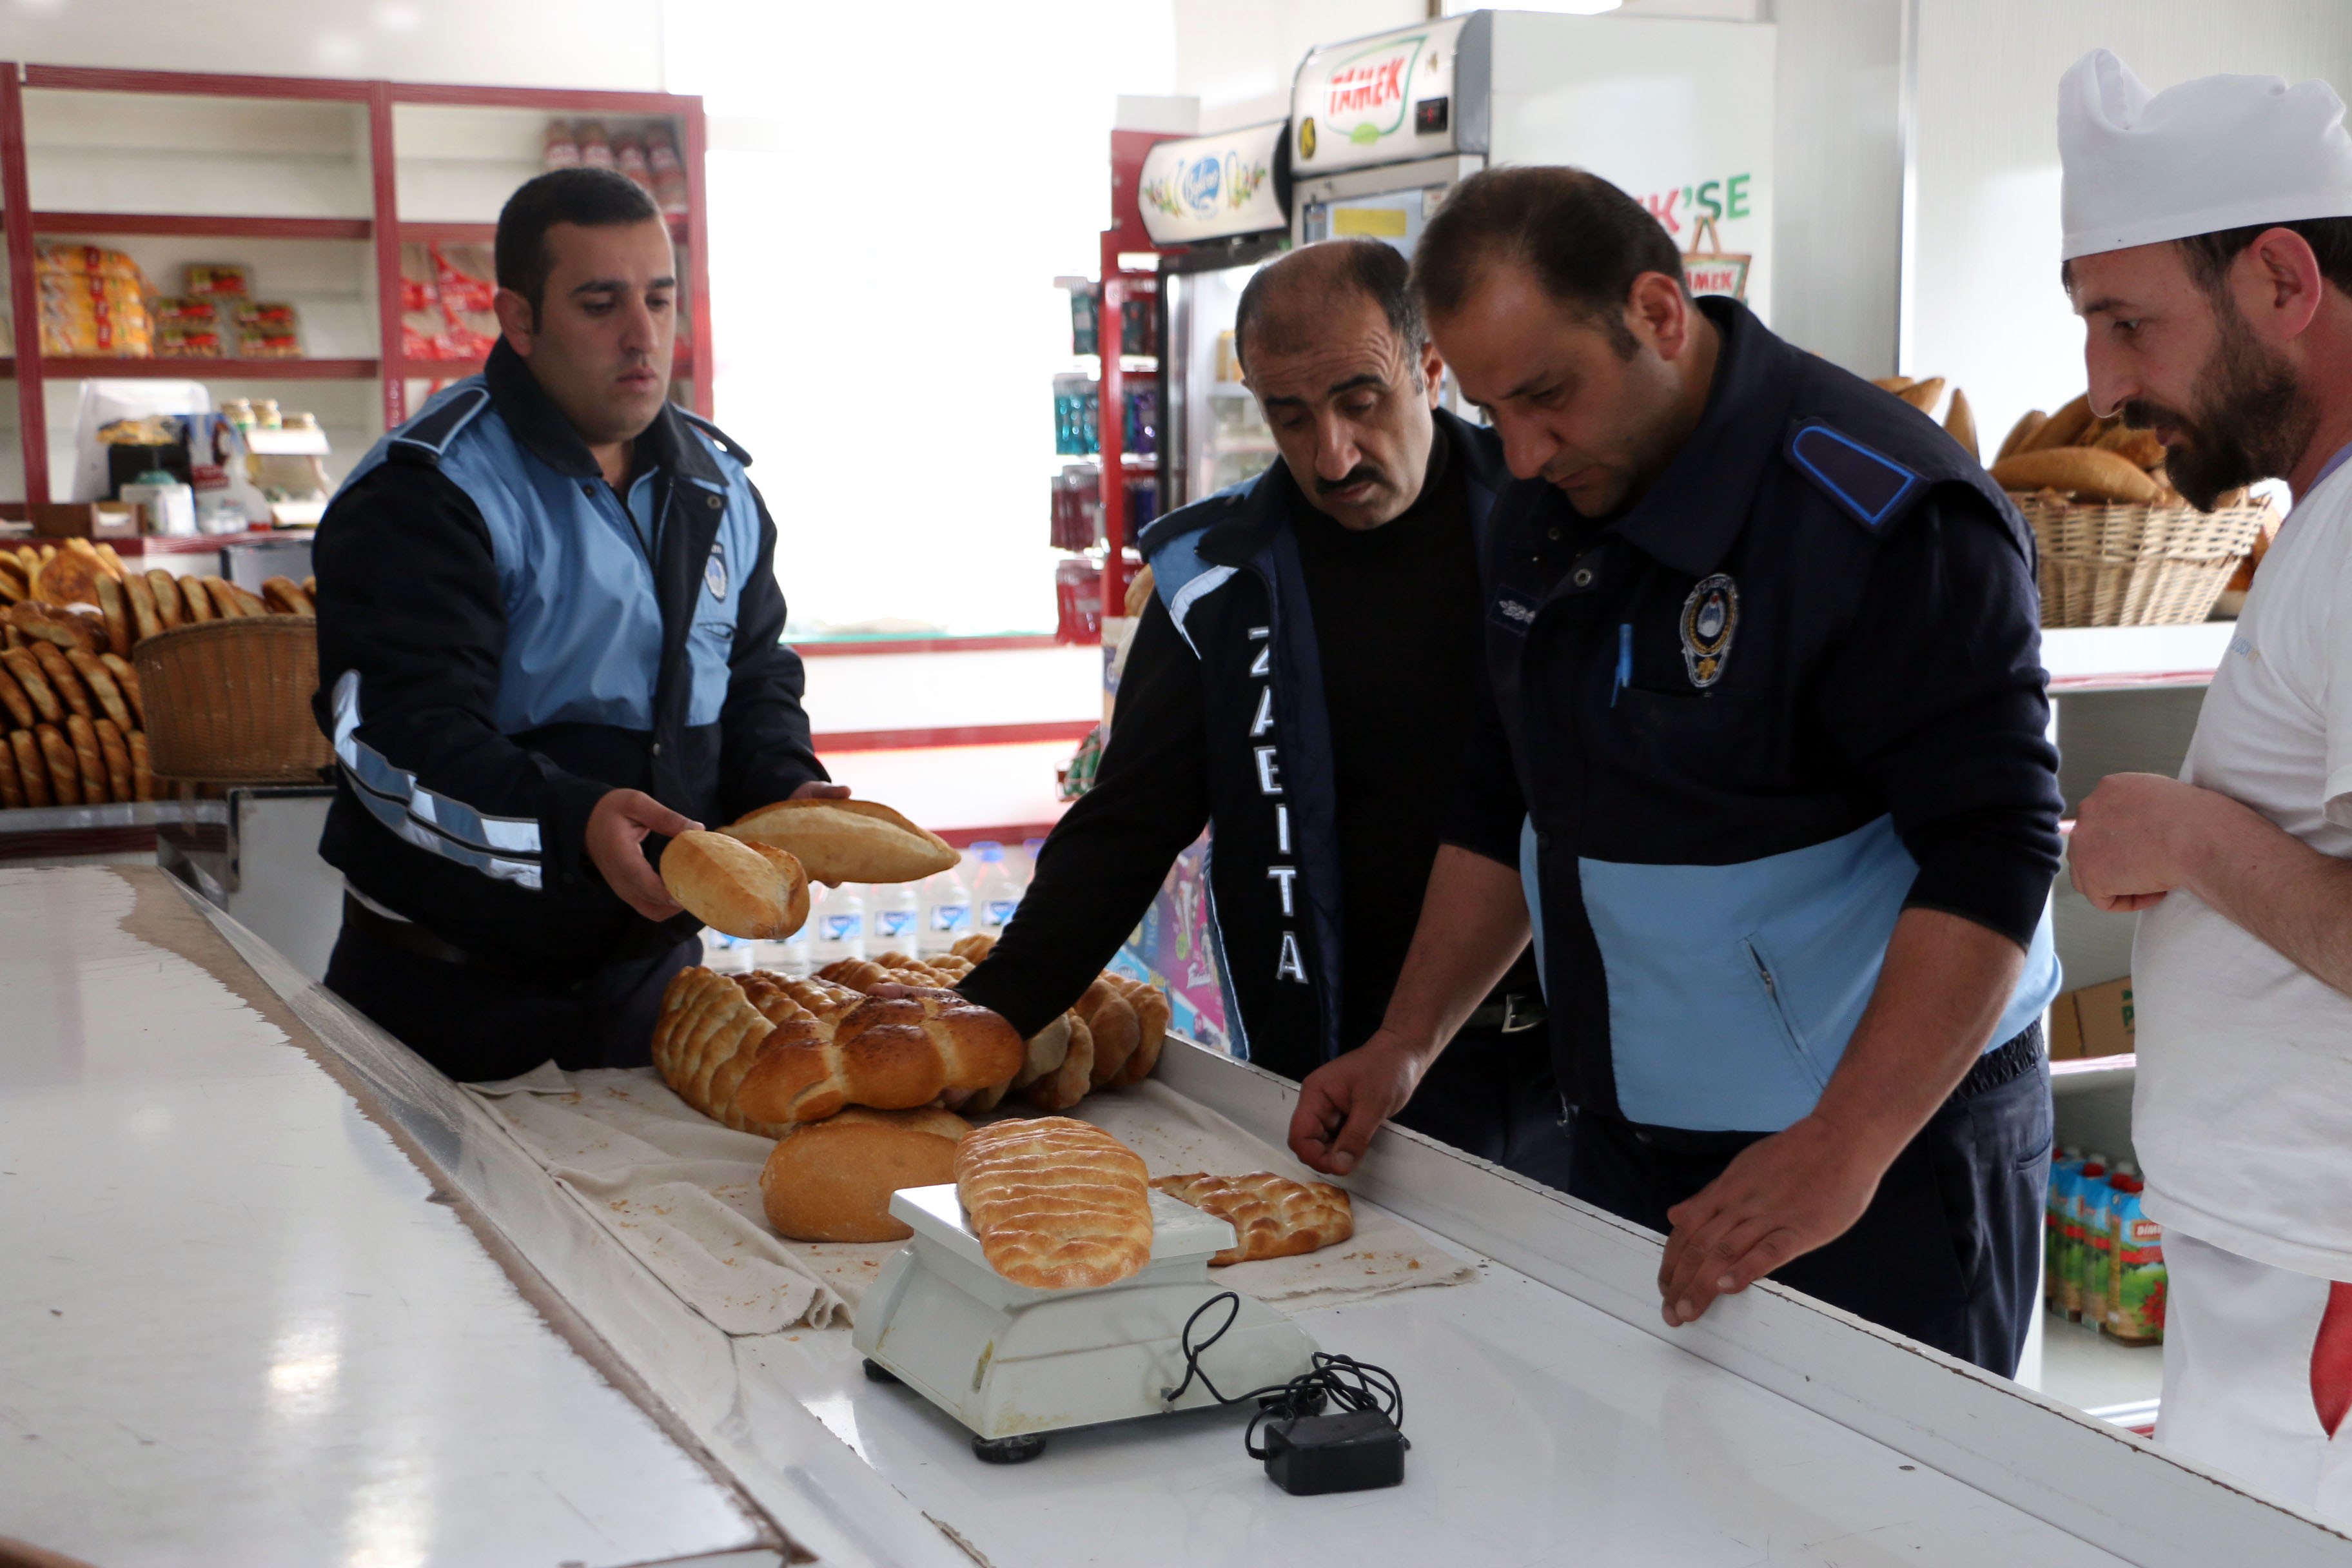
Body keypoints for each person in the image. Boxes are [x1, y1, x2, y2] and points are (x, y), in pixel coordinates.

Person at [1286, 167, 2065, 1376]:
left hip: (1879, 1160)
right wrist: (1406, 1040)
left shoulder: (1876, 514)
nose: (1528, 454)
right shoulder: (1541, 510)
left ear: (1657, 312)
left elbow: (1999, 845)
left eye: (1550, 396)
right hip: (1630, 1141)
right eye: (1496, 414)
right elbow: (1511, 788)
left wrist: (1846, 1146)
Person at [956, 239, 1570, 1183]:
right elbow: (1128, 824)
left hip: (1583, 1064)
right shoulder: (1220, 576)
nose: (1333, 453)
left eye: (1360, 403)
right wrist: (990, 1016)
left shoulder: (1557, 523)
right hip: (1346, 1072)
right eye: (1290, 417)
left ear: (1433, 368)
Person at [312, 167, 839, 1081]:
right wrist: (571, 821)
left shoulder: (718, 487)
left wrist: (784, 786)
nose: (643, 338)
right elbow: (391, 742)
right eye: (600, 304)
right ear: (519, 320)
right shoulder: (428, 492)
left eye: (660, 300)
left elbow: (755, 676)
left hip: (657, 993)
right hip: (445, 1005)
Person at [2059, 51, 2352, 1522]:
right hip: (2284, 1272)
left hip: (2329, 1293)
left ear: (2285, 279)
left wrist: (2180, 830)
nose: (2106, 383)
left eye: (2130, 321)